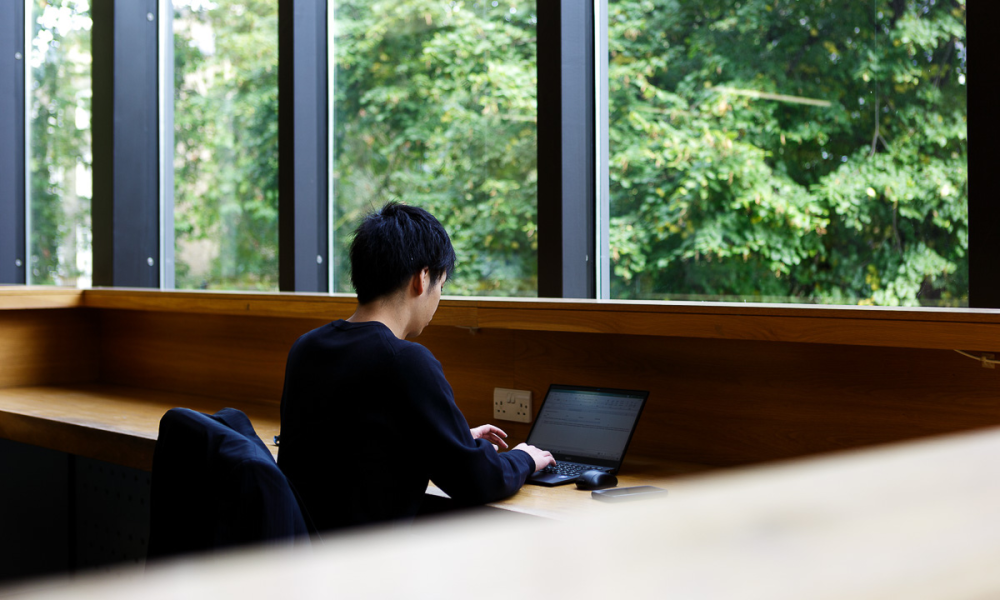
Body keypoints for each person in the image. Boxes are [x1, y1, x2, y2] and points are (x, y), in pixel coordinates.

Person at [277, 201, 555, 532]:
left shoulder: (307, 347)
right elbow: (478, 482)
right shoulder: (405, 361)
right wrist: (525, 458)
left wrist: (452, 439)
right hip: (366, 566)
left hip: (304, 559)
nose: (438, 298)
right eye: (441, 284)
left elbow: (355, 445)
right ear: (422, 279)